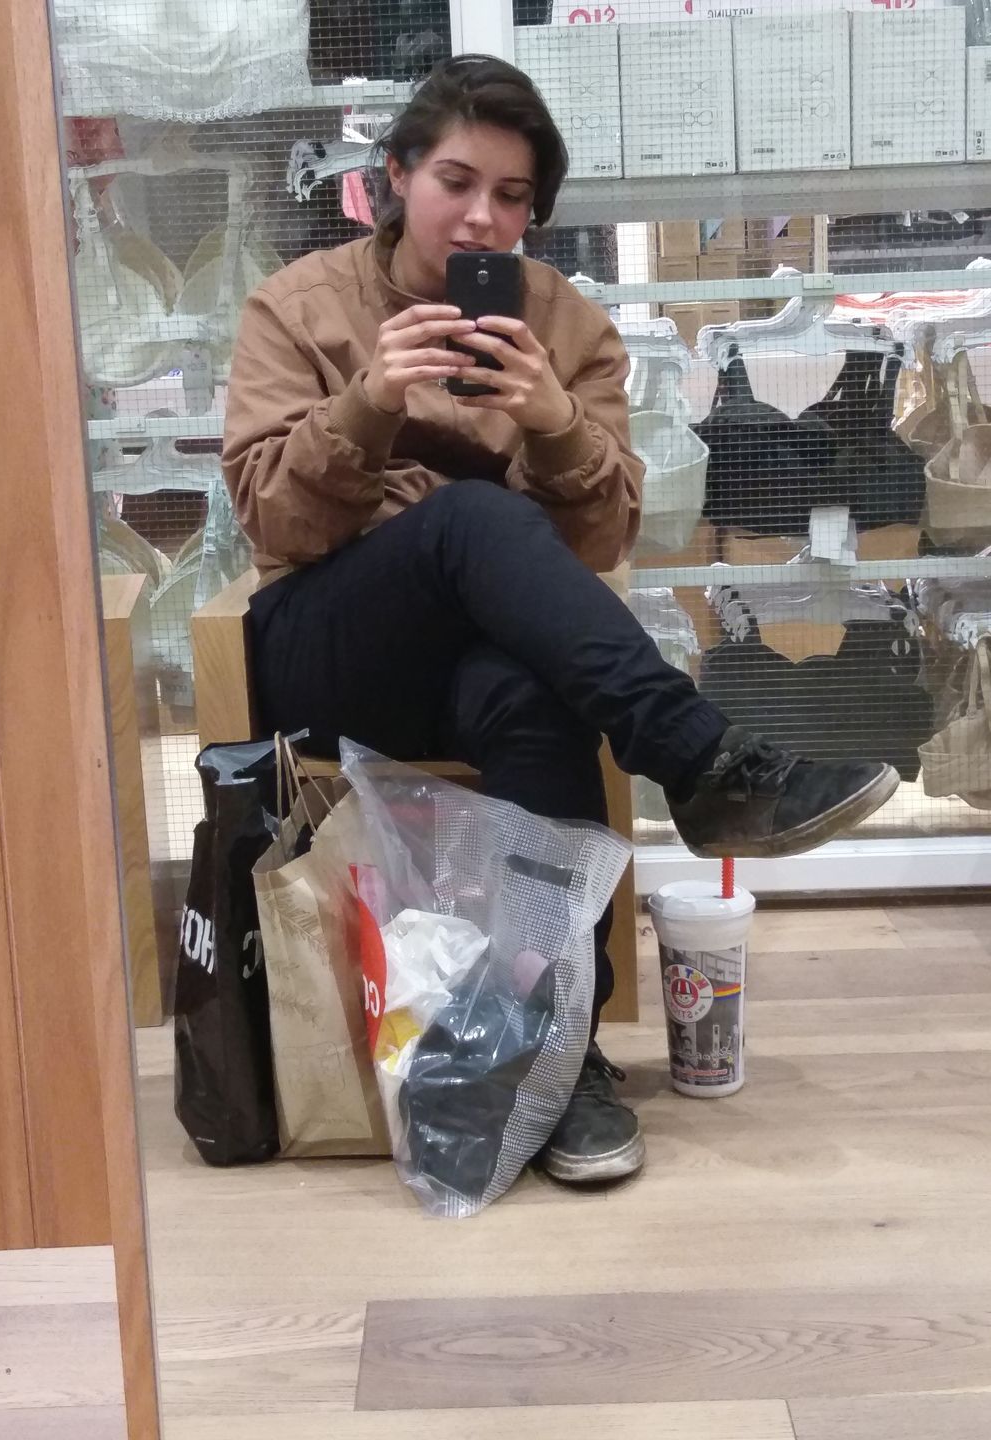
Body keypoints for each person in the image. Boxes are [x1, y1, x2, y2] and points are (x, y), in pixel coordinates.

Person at [222, 55, 899, 1185]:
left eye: (513, 196)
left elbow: (595, 552)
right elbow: (275, 523)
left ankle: (555, 1049)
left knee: (532, 696)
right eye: (455, 181)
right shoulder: (298, 308)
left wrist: (553, 424)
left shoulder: (566, 327)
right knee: (470, 521)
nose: (482, 217)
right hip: (329, 650)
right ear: (396, 177)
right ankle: (702, 760)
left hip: (485, 662)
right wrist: (370, 402)